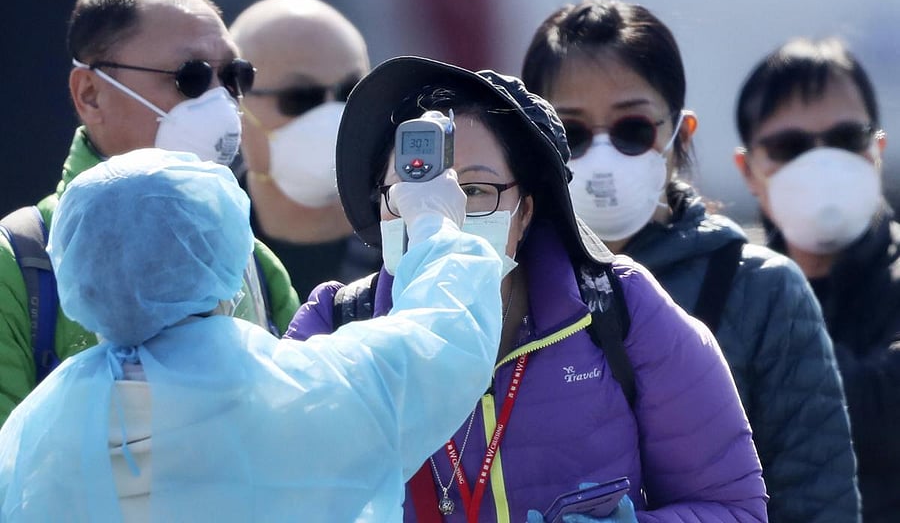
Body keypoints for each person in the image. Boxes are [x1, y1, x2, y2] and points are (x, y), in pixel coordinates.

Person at [284, 55, 768, 522]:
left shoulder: (620, 310)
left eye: (474, 191)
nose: (443, 214)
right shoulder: (334, 325)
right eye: (415, 190)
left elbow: (734, 508)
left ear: (525, 211)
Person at [0, 148, 502, 521]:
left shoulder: (34, 432)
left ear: (77, 272)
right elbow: (443, 337)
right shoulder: (298, 391)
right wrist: (434, 225)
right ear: (224, 260)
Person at [521, 0, 860, 522]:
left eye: (633, 129)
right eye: (572, 133)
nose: (603, 159)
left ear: (680, 135)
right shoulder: (502, 288)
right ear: (534, 145)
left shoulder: (760, 288)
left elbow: (819, 503)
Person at [0, 0, 299, 426]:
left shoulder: (253, 263)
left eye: (234, 77)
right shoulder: (16, 266)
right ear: (90, 94)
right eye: (191, 77)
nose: (220, 101)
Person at [734, 37, 900, 523]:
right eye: (789, 148)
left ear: (877, 149)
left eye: (847, 139)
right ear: (748, 171)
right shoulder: (731, 285)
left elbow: (880, 417)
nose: (822, 165)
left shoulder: (732, 300)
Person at [229, 0, 382, 299]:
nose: (333, 115)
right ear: (235, 105)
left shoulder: (418, 235)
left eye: (351, 91)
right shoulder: (201, 240)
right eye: (300, 97)